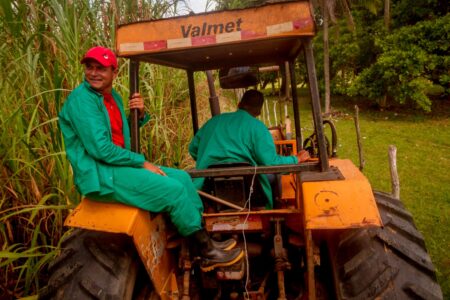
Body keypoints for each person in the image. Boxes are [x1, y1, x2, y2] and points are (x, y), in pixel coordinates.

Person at [58, 46, 243, 271]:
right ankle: (205, 253)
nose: (94, 73)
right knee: (172, 191)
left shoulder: (110, 97)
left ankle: (201, 238)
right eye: (90, 67)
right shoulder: (83, 100)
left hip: (116, 166)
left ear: (114, 72)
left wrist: (140, 115)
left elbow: (116, 133)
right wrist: (141, 162)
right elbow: (101, 149)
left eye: (101, 68)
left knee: (183, 179)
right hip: (101, 173)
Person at [189, 89, 310, 208]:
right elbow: (271, 163)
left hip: (209, 188)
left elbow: (193, 149)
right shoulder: (258, 128)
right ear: (259, 112)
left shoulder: (213, 122)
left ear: (239, 104)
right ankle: (275, 212)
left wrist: (209, 159)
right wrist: (295, 159)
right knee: (276, 176)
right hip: (250, 190)